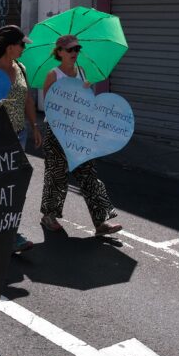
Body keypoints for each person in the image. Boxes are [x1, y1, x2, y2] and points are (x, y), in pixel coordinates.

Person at [39, 35, 122, 236]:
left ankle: (101, 222)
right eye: (70, 49)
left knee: (88, 174)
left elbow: (88, 104)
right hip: (58, 132)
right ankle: (49, 216)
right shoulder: (53, 75)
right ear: (59, 52)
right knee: (57, 175)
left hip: (79, 132)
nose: (74, 53)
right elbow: (49, 106)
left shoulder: (82, 72)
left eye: (77, 49)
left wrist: (86, 93)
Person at [0, 25, 42, 253]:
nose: (24, 48)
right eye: (22, 44)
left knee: (13, 186)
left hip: (19, 135)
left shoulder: (21, 68)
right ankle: (2, 232)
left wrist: (34, 126)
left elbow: (28, 100)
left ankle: (6, 231)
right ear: (9, 47)